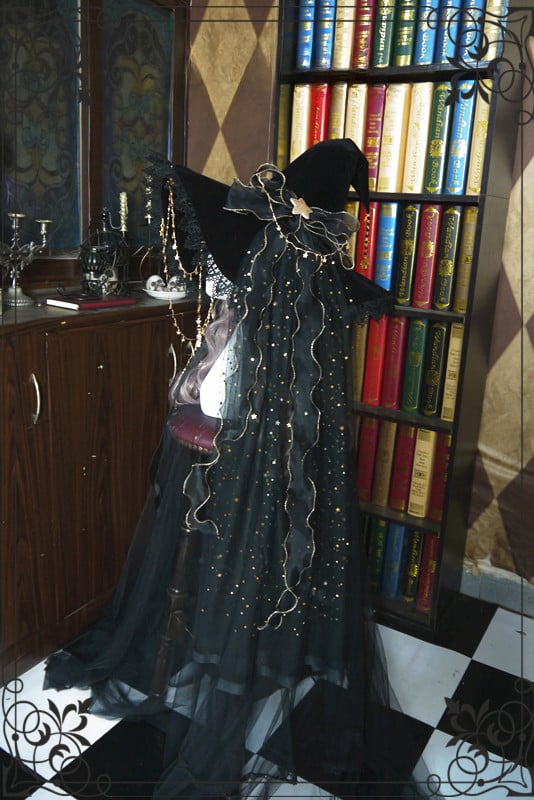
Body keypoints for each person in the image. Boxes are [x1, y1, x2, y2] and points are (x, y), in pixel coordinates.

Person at [44, 139, 421, 799]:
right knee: (273, 522)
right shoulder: (306, 273)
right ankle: (264, 641)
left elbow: (222, 387)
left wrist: (224, 378)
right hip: (282, 439)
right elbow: (249, 380)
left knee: (253, 520)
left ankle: (235, 644)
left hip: (253, 434)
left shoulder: (274, 270)